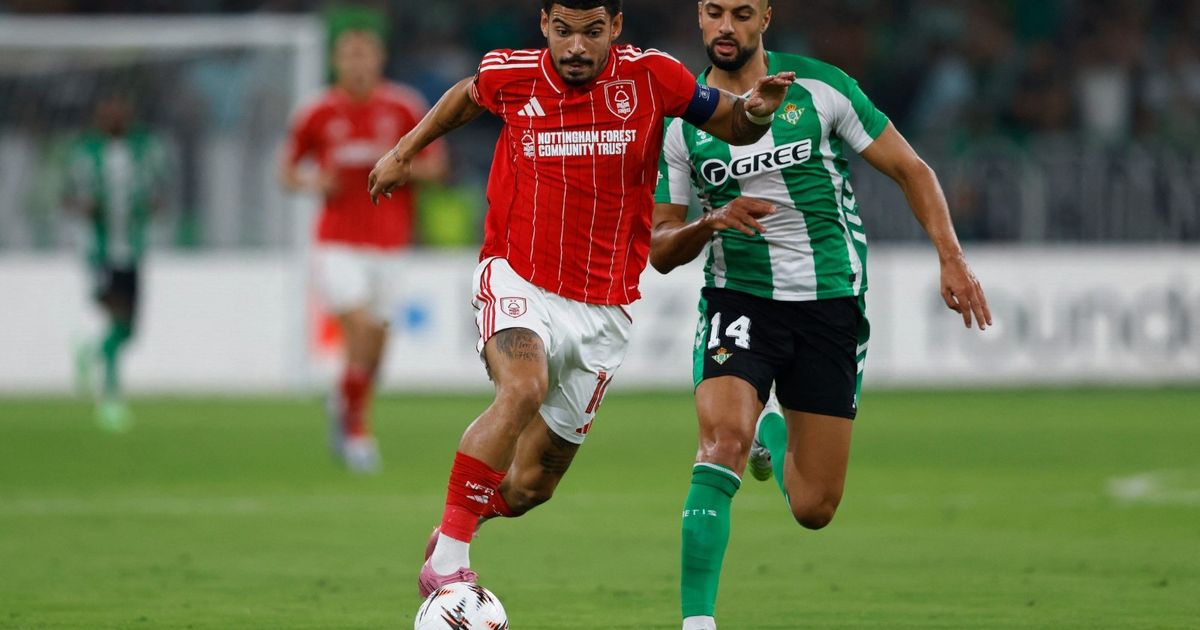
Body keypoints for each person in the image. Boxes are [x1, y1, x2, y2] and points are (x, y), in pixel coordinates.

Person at [368, 0, 795, 598]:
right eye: (563, 31)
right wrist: (403, 152)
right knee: (523, 388)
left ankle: (453, 530)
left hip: (603, 308)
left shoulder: (653, 76)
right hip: (518, 276)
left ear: (615, 28)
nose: (575, 47)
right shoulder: (512, 74)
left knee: (530, 488)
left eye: (592, 33)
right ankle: (448, 565)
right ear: (545, 24)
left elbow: (734, 125)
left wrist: (756, 113)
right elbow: (467, 95)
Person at [649, 1, 993, 628]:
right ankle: (698, 621)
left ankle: (772, 432)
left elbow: (911, 169)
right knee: (721, 442)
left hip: (830, 300)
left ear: (766, 17)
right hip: (739, 298)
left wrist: (952, 257)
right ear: (699, 18)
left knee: (814, 507)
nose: (726, 27)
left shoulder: (823, 88)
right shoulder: (678, 120)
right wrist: (711, 220)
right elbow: (662, 248)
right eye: (714, 12)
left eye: (741, 13)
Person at [281, 28, 447, 474]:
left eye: (364, 56)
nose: (357, 65)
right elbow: (287, 172)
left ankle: (343, 399)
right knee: (357, 329)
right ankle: (357, 432)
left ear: (379, 60)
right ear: (336, 62)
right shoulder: (317, 111)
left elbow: (437, 167)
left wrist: (400, 169)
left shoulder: (404, 107)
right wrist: (314, 181)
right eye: (349, 57)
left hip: (390, 244)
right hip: (337, 242)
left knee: (376, 348)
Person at [66, 91, 170, 433]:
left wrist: (155, 204)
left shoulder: (144, 148)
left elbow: (159, 189)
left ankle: (90, 351)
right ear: (99, 115)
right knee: (117, 318)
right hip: (99, 253)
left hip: (132, 252)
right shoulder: (85, 152)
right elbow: (66, 197)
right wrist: (83, 206)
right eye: (108, 110)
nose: (115, 115)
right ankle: (111, 398)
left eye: (120, 109)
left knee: (128, 331)